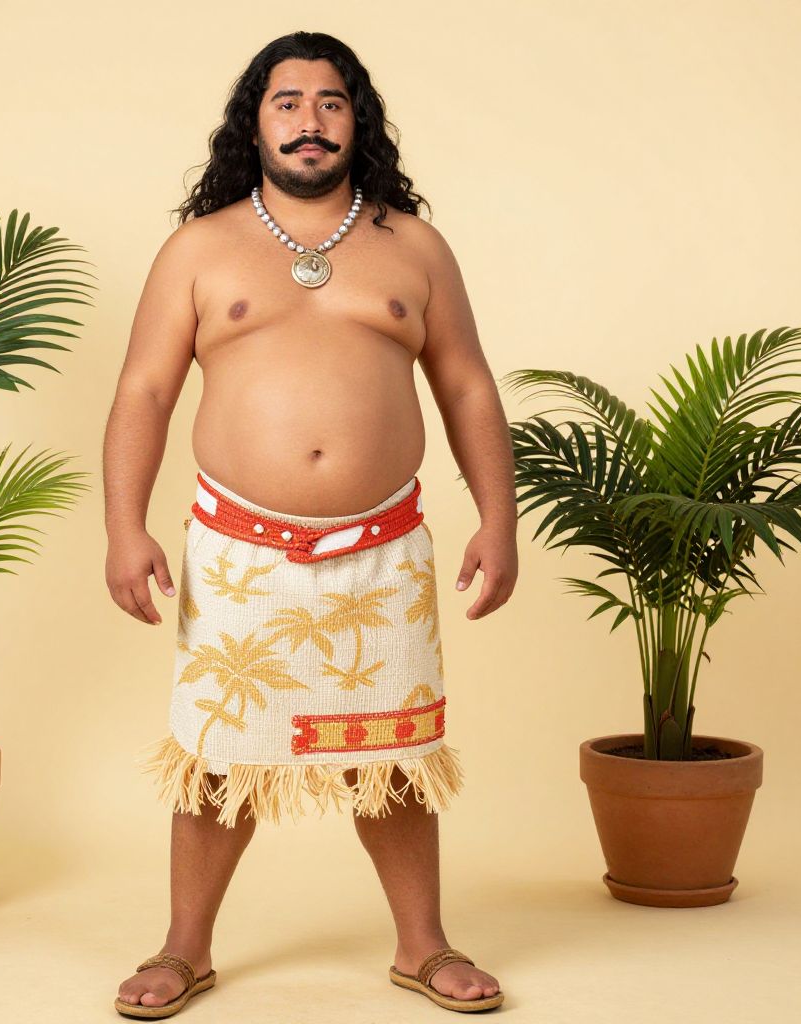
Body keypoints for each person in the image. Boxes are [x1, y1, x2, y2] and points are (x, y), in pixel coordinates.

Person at [104, 30, 518, 1019]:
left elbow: (466, 386)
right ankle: (183, 948)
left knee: (397, 756)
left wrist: (497, 520)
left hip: (384, 548)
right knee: (217, 758)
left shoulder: (412, 247)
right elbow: (144, 390)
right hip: (239, 551)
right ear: (254, 123)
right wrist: (125, 527)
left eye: (330, 102)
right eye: (286, 102)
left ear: (356, 121)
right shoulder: (199, 248)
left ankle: (423, 945)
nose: (309, 121)